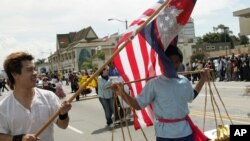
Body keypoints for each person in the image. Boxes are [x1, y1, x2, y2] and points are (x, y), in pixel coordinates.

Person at [111, 45, 210, 141]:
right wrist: (122, 92)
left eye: (176, 62)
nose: (174, 65)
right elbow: (137, 104)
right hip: (165, 135)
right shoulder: (154, 84)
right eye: (170, 61)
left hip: (185, 133)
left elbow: (192, 96)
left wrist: (203, 79)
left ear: (180, 63)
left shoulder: (184, 81)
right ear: (163, 62)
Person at [0, 52, 72, 141]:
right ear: (15, 74)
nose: (35, 73)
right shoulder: (3, 107)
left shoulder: (49, 97)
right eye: (29, 70)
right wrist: (19, 139)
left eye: (34, 69)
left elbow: (63, 125)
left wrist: (63, 114)